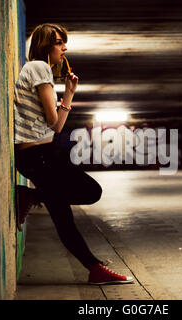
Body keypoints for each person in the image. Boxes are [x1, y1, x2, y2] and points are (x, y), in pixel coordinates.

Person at [13, 23, 133, 285]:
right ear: (45, 45)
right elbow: (53, 118)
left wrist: (68, 93)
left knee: (63, 218)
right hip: (39, 156)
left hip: (36, 156)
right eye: (58, 42)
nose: (64, 48)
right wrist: (60, 101)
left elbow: (55, 127)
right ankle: (31, 195)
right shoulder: (39, 68)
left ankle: (94, 268)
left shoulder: (36, 71)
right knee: (91, 191)